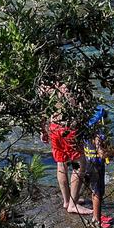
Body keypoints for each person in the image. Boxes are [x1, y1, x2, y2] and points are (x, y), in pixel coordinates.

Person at [42, 84, 88, 215]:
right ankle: (73, 205)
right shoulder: (71, 83)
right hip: (68, 128)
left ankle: (67, 201)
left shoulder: (46, 85)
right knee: (80, 165)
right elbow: (82, 107)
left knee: (61, 164)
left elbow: (43, 109)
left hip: (53, 126)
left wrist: (42, 130)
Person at [82, 105, 114, 228]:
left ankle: (97, 215)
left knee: (96, 191)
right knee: (98, 192)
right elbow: (102, 153)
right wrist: (113, 152)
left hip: (90, 163)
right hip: (96, 166)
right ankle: (96, 220)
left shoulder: (86, 131)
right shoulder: (97, 135)